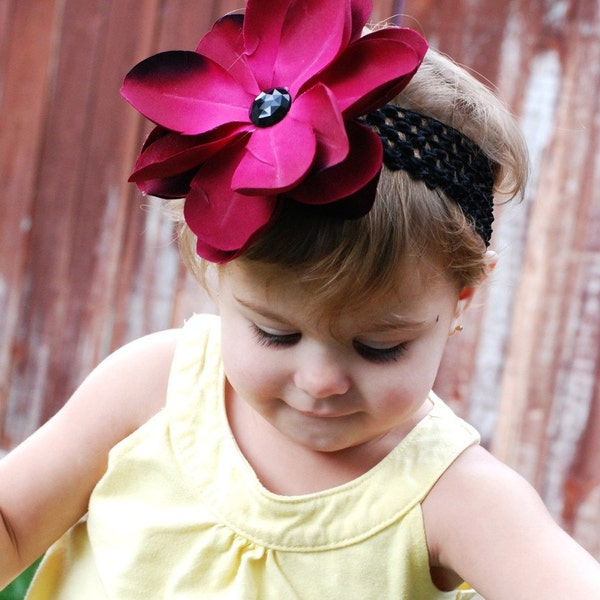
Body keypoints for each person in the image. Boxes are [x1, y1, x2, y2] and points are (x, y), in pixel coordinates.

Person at [1, 0, 599, 598]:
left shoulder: (454, 496)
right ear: (218, 271)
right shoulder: (152, 389)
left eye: (379, 347)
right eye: (275, 333)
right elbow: (12, 522)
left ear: (462, 301)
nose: (319, 381)